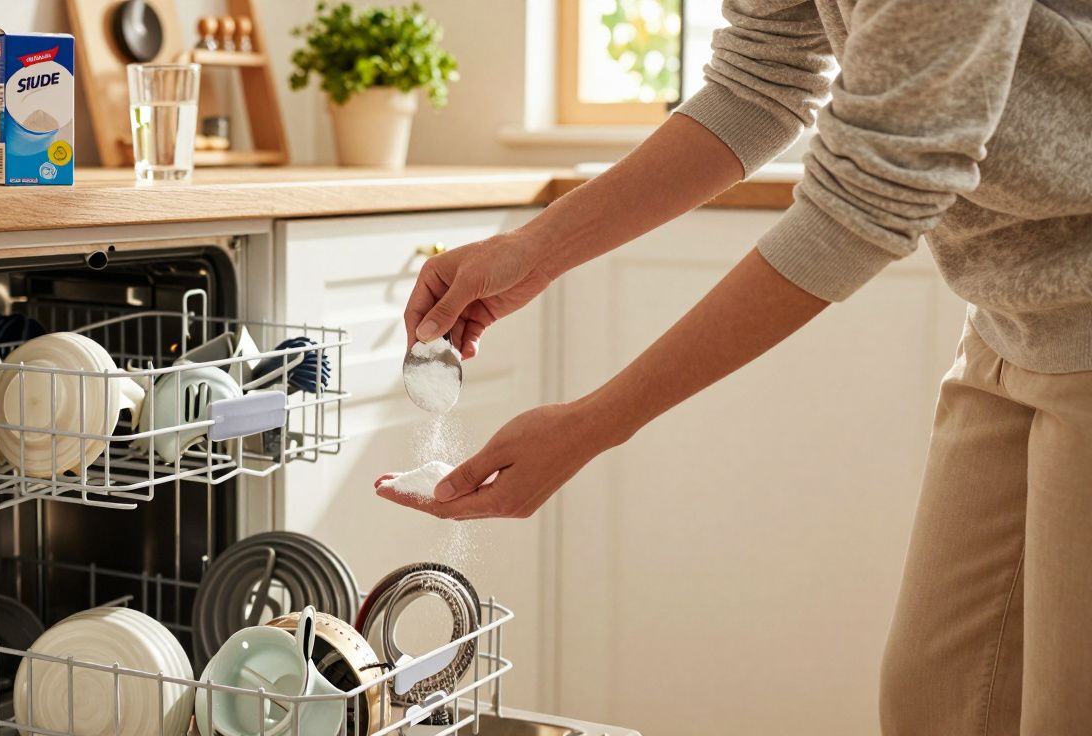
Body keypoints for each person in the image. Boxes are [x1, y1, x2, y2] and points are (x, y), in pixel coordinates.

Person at [373, 0, 1091, 733]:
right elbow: (763, 74)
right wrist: (533, 251)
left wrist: (596, 423)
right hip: (1007, 322)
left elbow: (874, 190)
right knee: (934, 703)